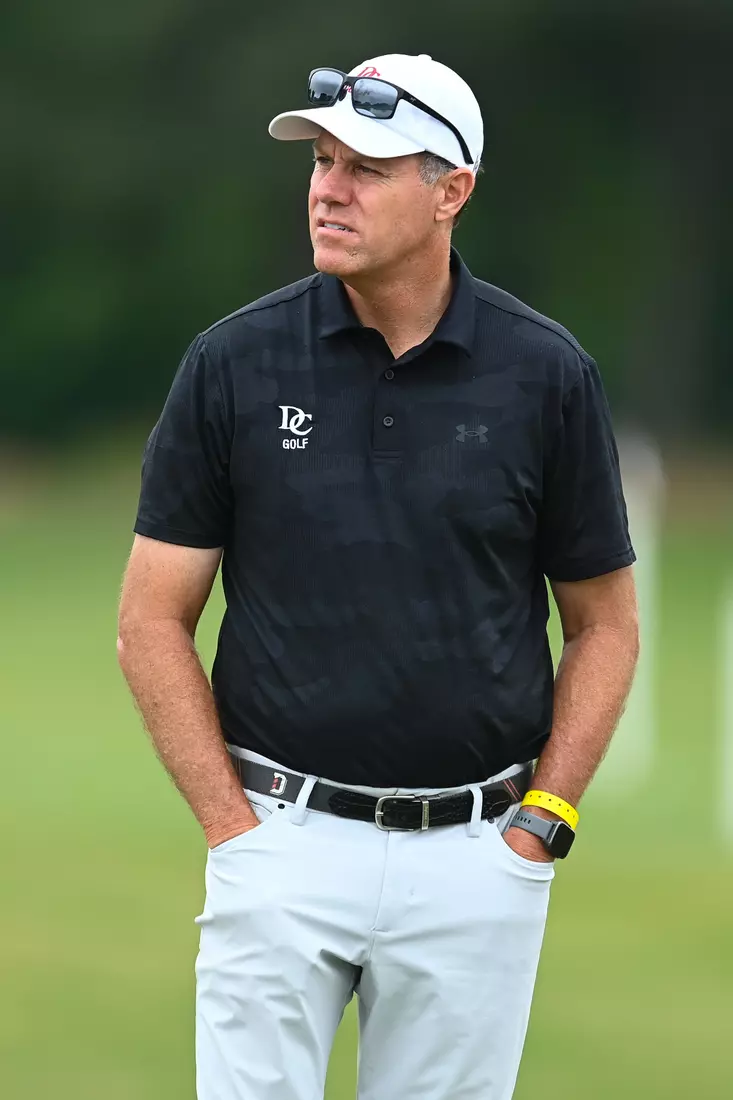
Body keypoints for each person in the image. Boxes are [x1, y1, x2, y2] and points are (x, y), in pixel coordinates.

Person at [117, 52, 639, 1100]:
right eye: (321, 159)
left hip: (479, 854)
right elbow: (150, 620)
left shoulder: (544, 374)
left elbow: (606, 626)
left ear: (451, 192)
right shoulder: (233, 363)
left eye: (367, 166)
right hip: (278, 842)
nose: (328, 187)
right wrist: (234, 831)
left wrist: (541, 826)